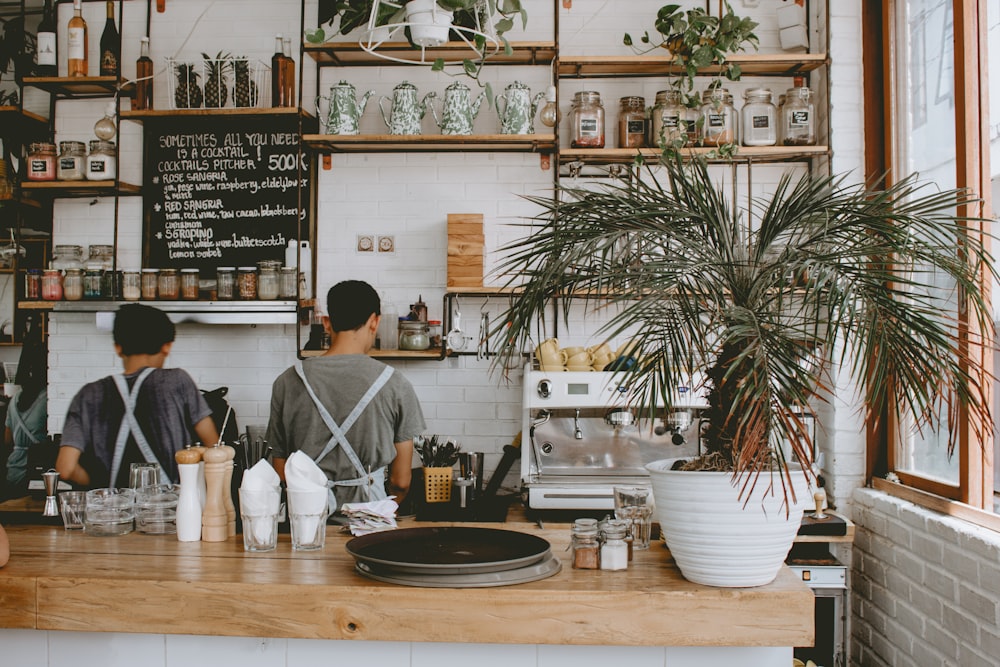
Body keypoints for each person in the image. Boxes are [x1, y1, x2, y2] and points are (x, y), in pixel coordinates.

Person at [267, 280, 425, 514]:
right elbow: (401, 482)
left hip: (307, 526)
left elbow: (280, 471)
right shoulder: (395, 384)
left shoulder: (288, 382)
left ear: (327, 323)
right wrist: (376, 512)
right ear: (375, 322)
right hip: (369, 523)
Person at [55, 304, 219, 488]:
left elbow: (66, 468)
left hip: (110, 512)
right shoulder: (178, 381)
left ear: (118, 348)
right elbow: (215, 449)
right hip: (169, 511)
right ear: (166, 346)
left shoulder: (87, 395)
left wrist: (99, 488)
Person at [1, 314, 47, 497]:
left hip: (13, 471)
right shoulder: (47, 399)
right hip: (33, 472)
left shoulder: (15, 399)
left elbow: (7, 440)